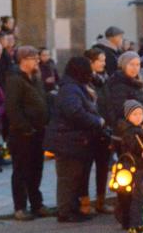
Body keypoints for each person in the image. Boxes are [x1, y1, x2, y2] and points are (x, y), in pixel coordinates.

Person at [45, 57, 107, 223]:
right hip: (68, 140)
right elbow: (74, 112)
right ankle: (65, 211)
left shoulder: (74, 86)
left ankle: (73, 208)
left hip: (74, 139)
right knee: (68, 177)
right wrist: (96, 121)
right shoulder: (70, 89)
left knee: (74, 177)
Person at [6, 46, 51, 221]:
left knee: (36, 169)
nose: (37, 61)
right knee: (21, 170)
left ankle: (36, 203)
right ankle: (20, 206)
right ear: (23, 60)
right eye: (34, 58)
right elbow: (13, 108)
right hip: (23, 134)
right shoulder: (15, 79)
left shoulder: (35, 78)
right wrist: (25, 127)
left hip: (38, 131)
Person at [116, 100, 143, 233]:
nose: (139, 117)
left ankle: (137, 224)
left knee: (139, 198)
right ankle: (136, 226)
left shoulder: (135, 129)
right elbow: (140, 149)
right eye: (135, 114)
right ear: (128, 116)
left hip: (138, 167)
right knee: (138, 199)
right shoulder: (132, 131)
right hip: (137, 168)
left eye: (140, 113)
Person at [85, 47, 112, 214]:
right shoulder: (85, 81)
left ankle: (101, 200)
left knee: (103, 167)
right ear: (91, 62)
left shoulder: (104, 79)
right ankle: (85, 202)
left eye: (104, 60)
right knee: (86, 168)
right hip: (91, 129)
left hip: (104, 128)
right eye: (100, 60)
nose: (103, 63)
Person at [104, 52, 143, 129]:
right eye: (131, 64)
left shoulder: (139, 82)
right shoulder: (118, 84)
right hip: (130, 130)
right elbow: (121, 111)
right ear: (124, 65)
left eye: (138, 65)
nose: (135, 68)